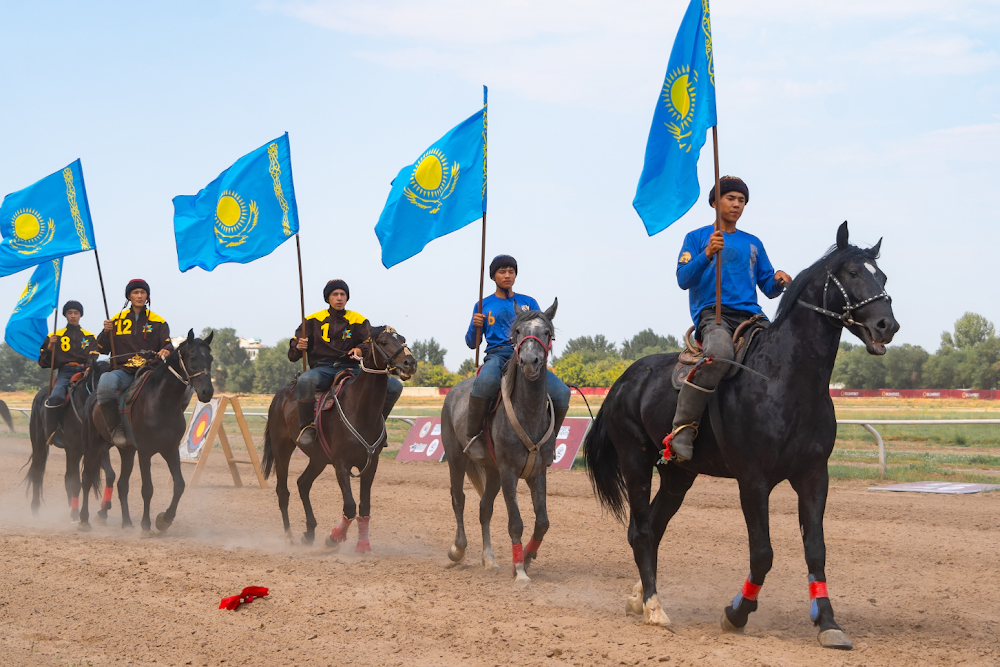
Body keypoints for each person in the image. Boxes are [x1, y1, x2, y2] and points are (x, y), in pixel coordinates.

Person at [669, 176, 792, 462]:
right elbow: (683, 279)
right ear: (715, 202)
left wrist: (778, 279)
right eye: (731, 198)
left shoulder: (753, 242)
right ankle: (683, 428)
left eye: (742, 201)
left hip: (752, 316)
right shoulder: (697, 238)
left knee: (786, 353)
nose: (737, 204)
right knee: (720, 354)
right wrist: (707, 253)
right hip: (715, 315)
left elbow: (767, 286)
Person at [463, 254, 571, 463]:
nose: (507, 275)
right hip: (497, 355)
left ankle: (550, 441)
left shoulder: (528, 302)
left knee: (562, 392)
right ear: (493, 276)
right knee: (485, 383)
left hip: (526, 356)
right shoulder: (483, 305)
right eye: (502, 272)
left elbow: (541, 331)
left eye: (511, 271)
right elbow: (471, 343)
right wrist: (475, 326)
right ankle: (472, 436)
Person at [289, 279, 403, 446]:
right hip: (322, 369)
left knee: (395, 386)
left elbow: (369, 343)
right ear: (328, 298)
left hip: (352, 370)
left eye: (343, 294)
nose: (339, 298)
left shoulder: (358, 319)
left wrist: (360, 350)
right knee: (305, 380)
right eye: (335, 294)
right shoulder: (312, 320)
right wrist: (299, 346)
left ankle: (378, 426)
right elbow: (293, 354)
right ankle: (307, 427)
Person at [95, 279, 173, 446]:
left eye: (142, 292)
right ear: (129, 296)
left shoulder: (158, 321)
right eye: (135, 293)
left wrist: (166, 349)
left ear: (147, 296)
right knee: (105, 384)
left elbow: (167, 344)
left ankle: (169, 428)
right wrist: (105, 332)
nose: (139, 296)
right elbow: (102, 348)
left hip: (149, 373)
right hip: (123, 372)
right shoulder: (115, 320)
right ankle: (115, 429)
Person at [37, 300, 99, 447]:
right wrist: (50, 346)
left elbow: (94, 355)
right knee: (56, 396)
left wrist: (89, 367)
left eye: (76, 313)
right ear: (65, 315)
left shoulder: (89, 336)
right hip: (65, 372)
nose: (73, 316)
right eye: (70, 313)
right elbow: (43, 362)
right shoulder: (55, 336)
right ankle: (52, 432)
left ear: (80, 315)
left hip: (86, 372)